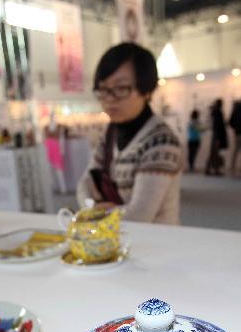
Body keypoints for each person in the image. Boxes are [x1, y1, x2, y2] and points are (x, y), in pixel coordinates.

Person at [76, 42, 183, 224]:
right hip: (116, 240)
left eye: (121, 89)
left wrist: (95, 211)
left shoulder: (161, 141)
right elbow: (83, 185)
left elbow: (139, 215)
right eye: (103, 90)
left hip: (158, 244)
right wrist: (94, 207)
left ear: (147, 91)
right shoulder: (111, 132)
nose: (109, 99)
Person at [205, 99, 228, 175]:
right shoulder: (218, 113)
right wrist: (218, 138)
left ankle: (210, 169)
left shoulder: (215, 112)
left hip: (216, 135)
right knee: (214, 153)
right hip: (217, 136)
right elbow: (219, 126)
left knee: (213, 153)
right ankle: (214, 169)